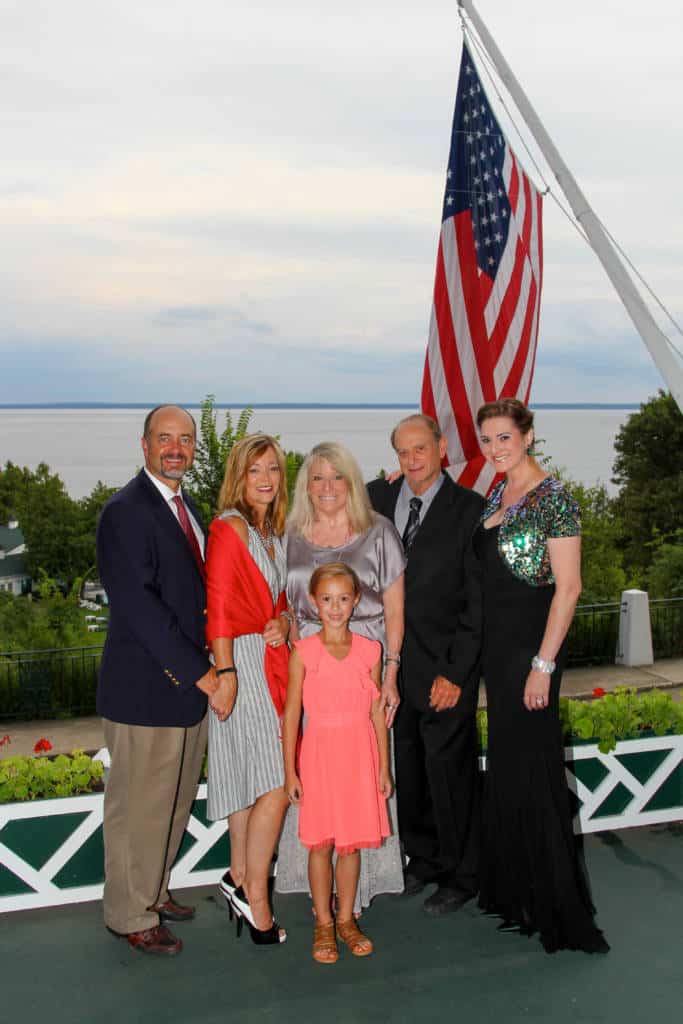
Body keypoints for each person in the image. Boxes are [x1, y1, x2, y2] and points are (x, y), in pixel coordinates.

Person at [474, 398, 609, 953]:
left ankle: (557, 909)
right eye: (486, 440)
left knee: (535, 773)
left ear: (528, 436)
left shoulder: (556, 500)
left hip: (531, 655)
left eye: (504, 438)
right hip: (497, 656)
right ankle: (520, 896)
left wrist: (543, 666)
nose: (494, 449)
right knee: (507, 770)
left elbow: (568, 589)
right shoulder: (493, 493)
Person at [96, 404, 217, 956]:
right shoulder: (126, 511)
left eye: (185, 439)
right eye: (164, 438)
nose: (176, 448)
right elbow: (139, 607)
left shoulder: (183, 503)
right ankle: (129, 914)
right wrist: (202, 674)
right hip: (147, 689)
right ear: (143, 444)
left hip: (184, 690)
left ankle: (155, 890)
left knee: (169, 802)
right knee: (138, 807)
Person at [275, 441, 405, 911]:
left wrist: (390, 673)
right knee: (318, 781)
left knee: (362, 779)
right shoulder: (288, 534)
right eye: (317, 477)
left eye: (337, 477)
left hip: (363, 666)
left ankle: (354, 897)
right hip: (309, 671)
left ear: (351, 483)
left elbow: (394, 611)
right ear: (305, 485)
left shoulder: (378, 532)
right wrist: (286, 626)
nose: (327, 487)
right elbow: (282, 604)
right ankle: (321, 903)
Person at [367, 414, 484, 915]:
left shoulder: (471, 510)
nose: (413, 461)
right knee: (409, 770)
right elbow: (329, 493)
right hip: (392, 669)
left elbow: (478, 604)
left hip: (445, 669)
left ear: (441, 448)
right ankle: (424, 861)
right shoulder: (377, 498)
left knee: (450, 773)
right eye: (403, 453)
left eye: (421, 450)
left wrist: (456, 674)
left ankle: (463, 873)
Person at [205, 433, 291, 945]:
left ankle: (239, 875)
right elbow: (217, 604)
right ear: (239, 476)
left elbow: (274, 598)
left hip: (268, 658)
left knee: (244, 775)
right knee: (276, 785)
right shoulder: (229, 528)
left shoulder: (269, 532)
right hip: (240, 663)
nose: (265, 479)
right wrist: (227, 672)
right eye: (255, 470)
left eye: (273, 470)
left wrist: (281, 618)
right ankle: (258, 898)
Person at [282, 563, 393, 963]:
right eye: (327, 599)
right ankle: (324, 923)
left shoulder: (369, 650)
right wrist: (290, 770)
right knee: (321, 844)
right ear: (314, 602)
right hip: (320, 755)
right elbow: (292, 713)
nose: (335, 607)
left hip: (359, 755)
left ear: (355, 601)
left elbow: (377, 710)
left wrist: (383, 767)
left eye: (343, 599)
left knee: (350, 846)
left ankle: (347, 919)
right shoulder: (304, 652)